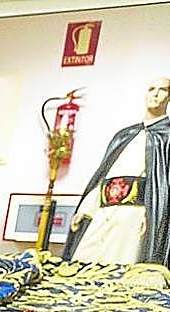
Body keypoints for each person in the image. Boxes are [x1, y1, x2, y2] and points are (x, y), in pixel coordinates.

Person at [64, 77, 170, 266]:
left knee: (119, 268)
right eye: (151, 88)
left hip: (134, 215)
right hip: (104, 210)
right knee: (82, 263)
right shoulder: (124, 135)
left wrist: (151, 213)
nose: (155, 94)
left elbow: (162, 183)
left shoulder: (167, 136)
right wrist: (87, 207)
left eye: (162, 90)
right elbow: (104, 175)